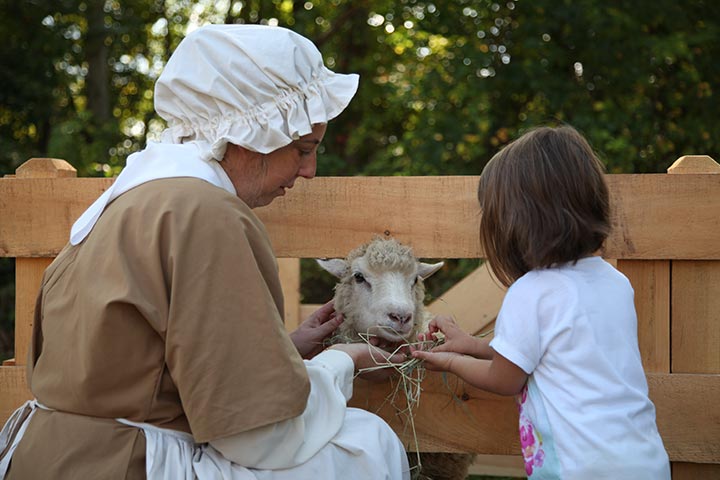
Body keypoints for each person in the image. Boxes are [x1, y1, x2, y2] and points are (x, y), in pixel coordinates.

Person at [0, 24, 410, 480]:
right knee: (365, 442)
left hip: (46, 457)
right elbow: (259, 435)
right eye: (303, 148)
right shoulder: (208, 212)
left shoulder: (127, 200)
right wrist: (343, 361)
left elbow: (143, 364)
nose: (310, 170)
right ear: (252, 132)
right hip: (128, 464)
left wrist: (280, 352)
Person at [412, 126, 670, 479]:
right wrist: (474, 346)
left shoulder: (532, 291)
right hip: (644, 459)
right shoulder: (614, 282)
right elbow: (558, 354)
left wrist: (451, 362)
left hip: (579, 467)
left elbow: (505, 379)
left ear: (517, 220)